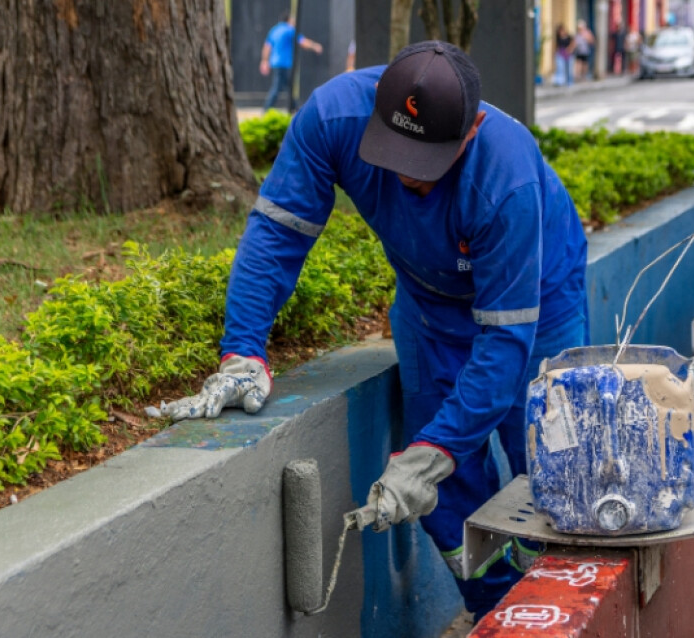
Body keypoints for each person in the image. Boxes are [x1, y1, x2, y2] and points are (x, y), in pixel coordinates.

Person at [164, 41, 589, 619]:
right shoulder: (332, 118)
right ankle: (500, 614)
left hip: (537, 299)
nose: (408, 177)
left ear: (472, 130)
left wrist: (437, 449)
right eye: (396, 153)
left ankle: (570, 612)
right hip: (428, 303)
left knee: (553, 471)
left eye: (427, 163)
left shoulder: (506, 180)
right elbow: (277, 236)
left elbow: (505, 347)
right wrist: (243, 350)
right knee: (444, 491)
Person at [260, 10, 323, 112]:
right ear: (288, 20)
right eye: (293, 20)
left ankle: (295, 107)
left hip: (275, 63)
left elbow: (267, 47)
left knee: (288, 86)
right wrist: (315, 46)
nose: (294, 22)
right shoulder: (289, 30)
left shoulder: (274, 30)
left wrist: (264, 61)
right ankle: (266, 110)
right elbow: (303, 42)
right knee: (278, 88)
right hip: (284, 64)